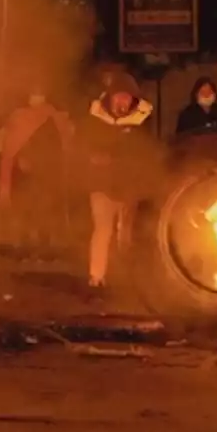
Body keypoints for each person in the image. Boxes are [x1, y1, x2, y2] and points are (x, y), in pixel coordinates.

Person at [80, 71, 155, 291]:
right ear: (110, 96)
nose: (122, 101)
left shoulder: (142, 119)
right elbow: (84, 144)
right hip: (101, 184)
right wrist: (94, 156)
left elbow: (145, 150)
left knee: (126, 234)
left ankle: (127, 281)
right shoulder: (95, 116)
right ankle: (96, 277)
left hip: (129, 186)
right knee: (102, 230)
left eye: (127, 97)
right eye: (118, 96)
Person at [0, 86, 73, 260]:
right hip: (24, 172)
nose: (37, 98)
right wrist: (22, 158)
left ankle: (43, 247)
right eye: (34, 94)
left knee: (44, 211)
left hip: (46, 172)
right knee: (25, 210)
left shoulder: (52, 116)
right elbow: (10, 145)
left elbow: (63, 142)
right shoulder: (20, 116)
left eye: (40, 94)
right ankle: (24, 246)